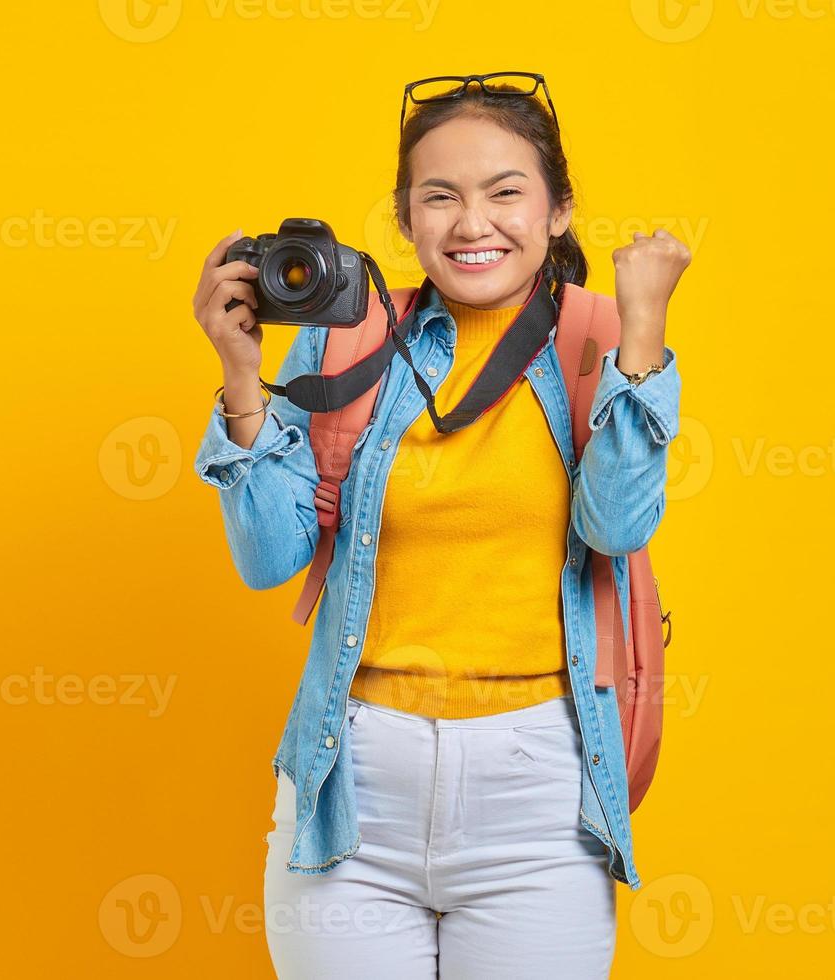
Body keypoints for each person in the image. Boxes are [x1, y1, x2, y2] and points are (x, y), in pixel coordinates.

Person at [189, 73, 688, 979]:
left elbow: (616, 526)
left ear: (558, 209)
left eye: (506, 193)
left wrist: (642, 326)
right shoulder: (342, 341)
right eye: (441, 197)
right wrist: (238, 375)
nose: (472, 224)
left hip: (538, 788)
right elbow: (270, 560)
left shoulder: (600, 343)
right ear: (406, 217)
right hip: (353, 782)